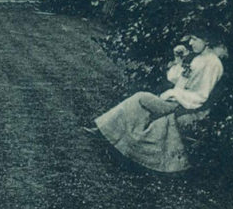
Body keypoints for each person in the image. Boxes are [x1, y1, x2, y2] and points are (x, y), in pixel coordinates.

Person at [89, 27, 225, 173]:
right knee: (138, 104)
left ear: (207, 41)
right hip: (173, 101)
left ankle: (105, 131)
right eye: (190, 39)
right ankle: (109, 135)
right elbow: (173, 78)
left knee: (140, 98)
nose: (190, 43)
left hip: (184, 105)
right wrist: (179, 60)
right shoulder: (196, 58)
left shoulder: (213, 64)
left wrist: (175, 95)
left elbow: (202, 95)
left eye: (195, 39)